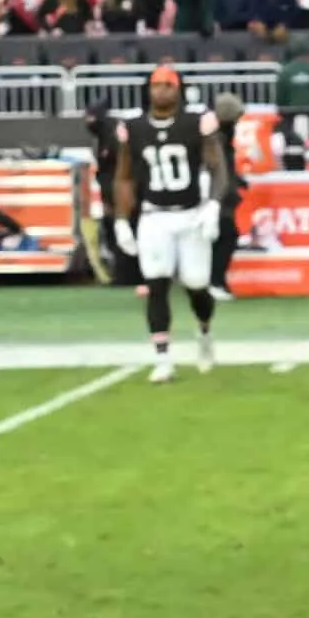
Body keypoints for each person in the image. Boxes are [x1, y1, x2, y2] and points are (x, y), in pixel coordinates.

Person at [109, 64, 225, 384]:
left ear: (179, 89)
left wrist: (213, 205)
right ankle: (163, 359)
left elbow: (217, 167)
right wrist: (121, 219)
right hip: (154, 215)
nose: (161, 90)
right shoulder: (132, 127)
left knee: (196, 284)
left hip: (191, 213)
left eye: (168, 85)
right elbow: (124, 176)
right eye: (156, 84)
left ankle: (204, 332)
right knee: (156, 284)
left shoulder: (196, 121)